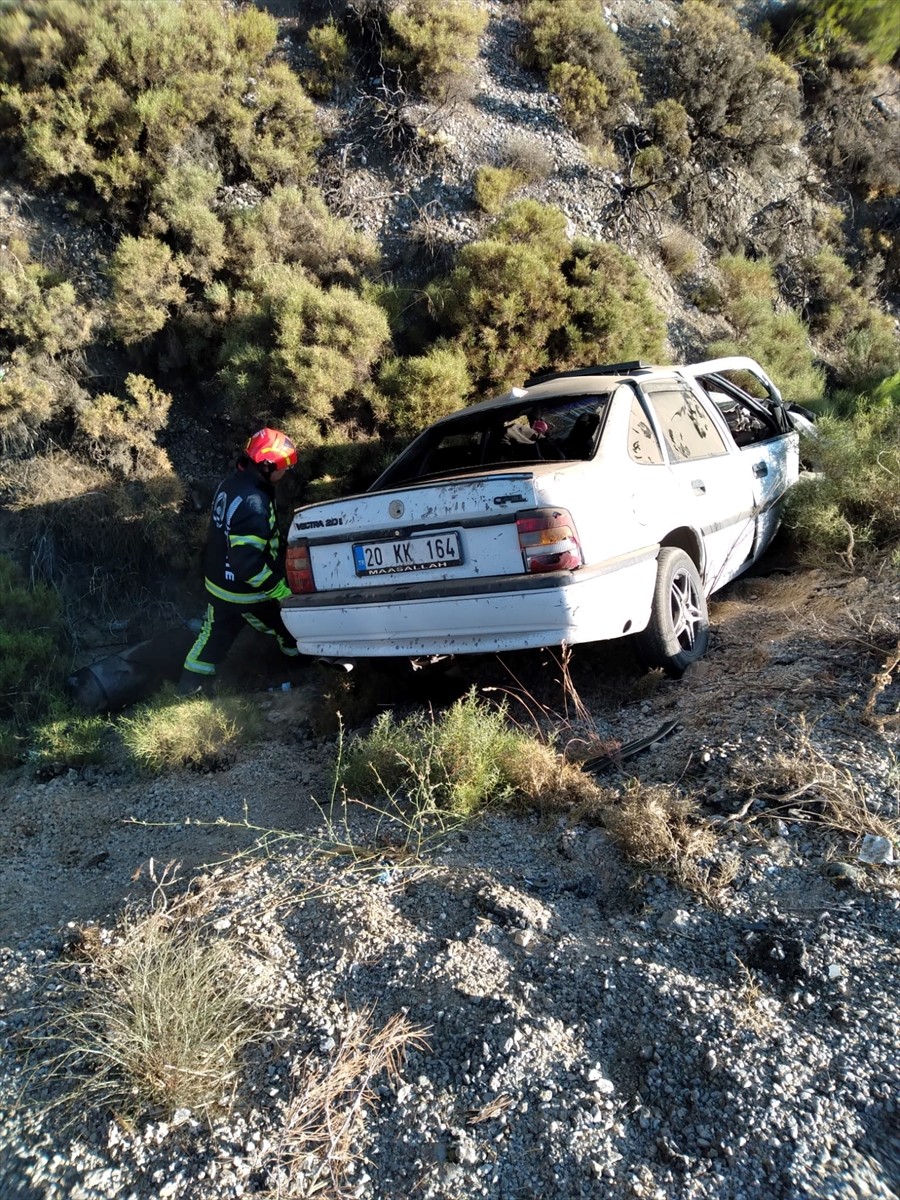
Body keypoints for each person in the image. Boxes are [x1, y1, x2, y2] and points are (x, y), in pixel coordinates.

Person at [178, 427, 302, 695]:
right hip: (245, 591)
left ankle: (188, 688)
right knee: (289, 629)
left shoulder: (232, 484)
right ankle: (297, 674)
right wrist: (281, 592)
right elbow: (247, 564)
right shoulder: (254, 502)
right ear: (268, 466)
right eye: (285, 466)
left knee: (212, 638)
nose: (287, 472)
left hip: (218, 584)